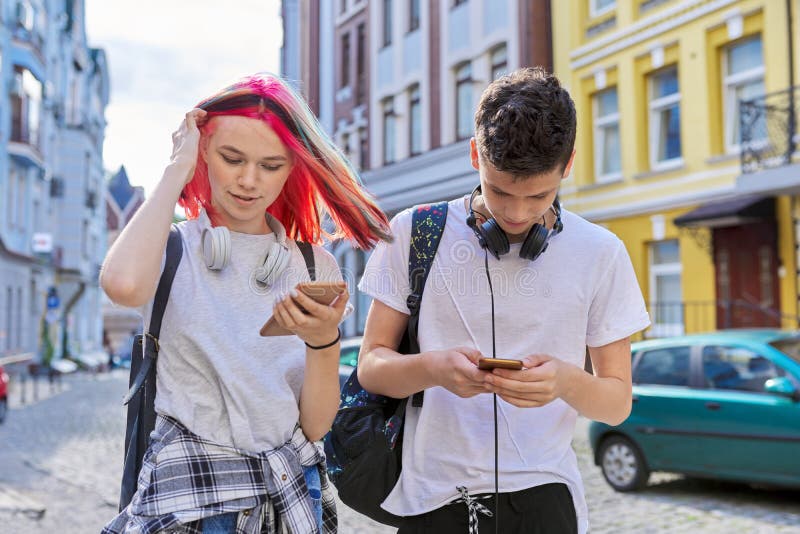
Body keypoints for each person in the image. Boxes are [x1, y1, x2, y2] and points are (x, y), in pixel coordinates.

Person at [356, 67, 650, 533]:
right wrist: (432, 370)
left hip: (545, 499)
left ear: (567, 165)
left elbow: (617, 404)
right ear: (475, 153)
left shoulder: (601, 252)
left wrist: (566, 382)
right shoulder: (413, 232)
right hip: (431, 498)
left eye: (539, 196)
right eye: (499, 191)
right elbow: (370, 367)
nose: (515, 214)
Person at [101, 73, 391, 533]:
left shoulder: (315, 267)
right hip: (190, 499)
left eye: (271, 165)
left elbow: (315, 428)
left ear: (292, 169)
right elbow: (121, 285)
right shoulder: (173, 248)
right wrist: (177, 168)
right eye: (231, 158)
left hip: (289, 496)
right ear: (203, 154)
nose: (249, 180)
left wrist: (323, 341)